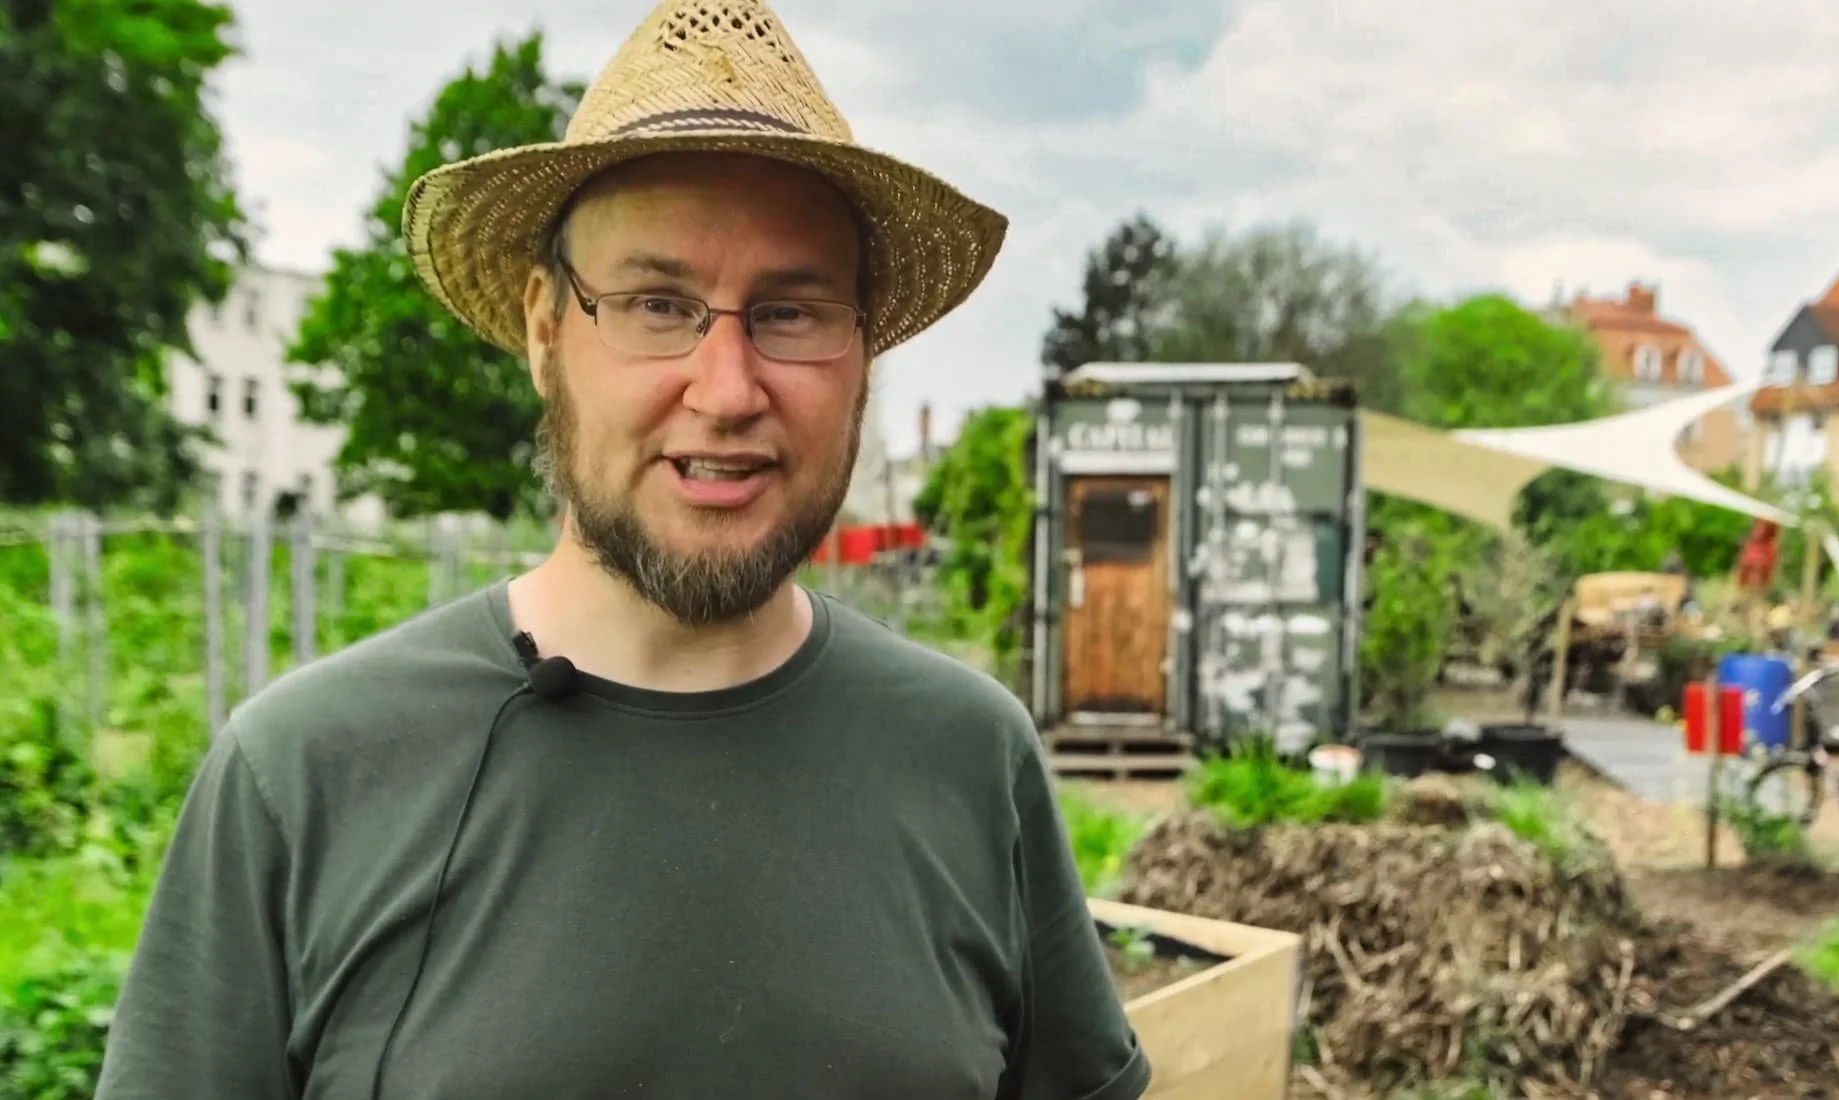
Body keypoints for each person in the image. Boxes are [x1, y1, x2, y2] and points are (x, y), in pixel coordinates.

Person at [94, 2, 1151, 1097]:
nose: (729, 388)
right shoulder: (306, 776)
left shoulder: (969, 757)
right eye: (658, 303)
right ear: (546, 330)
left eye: (791, 313)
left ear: (863, 353)